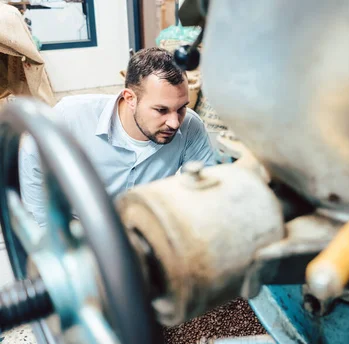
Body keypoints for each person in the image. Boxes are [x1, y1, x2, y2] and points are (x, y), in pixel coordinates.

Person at [19, 47, 216, 226]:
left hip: (145, 229)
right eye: (161, 110)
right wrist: (48, 234)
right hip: (82, 229)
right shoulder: (71, 115)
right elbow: (32, 161)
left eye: (181, 108)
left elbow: (207, 188)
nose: (174, 122)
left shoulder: (190, 125)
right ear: (130, 98)